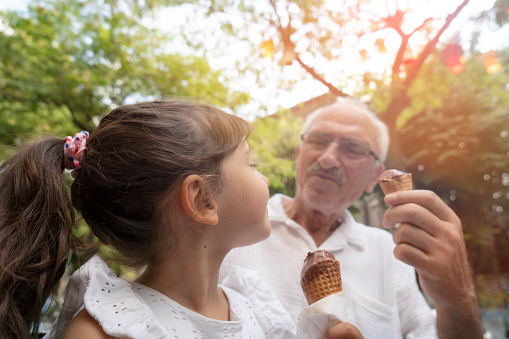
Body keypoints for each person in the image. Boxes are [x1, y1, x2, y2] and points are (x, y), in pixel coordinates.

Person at [0, 99, 365, 339]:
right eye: (252, 164)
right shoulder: (107, 329)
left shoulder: (257, 306)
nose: (266, 178)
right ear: (202, 199)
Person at [220, 98, 483, 339]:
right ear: (299, 154)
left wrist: (457, 298)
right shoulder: (232, 231)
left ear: (374, 177)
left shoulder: (389, 252)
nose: (328, 158)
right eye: (319, 140)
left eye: (353, 149)